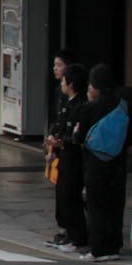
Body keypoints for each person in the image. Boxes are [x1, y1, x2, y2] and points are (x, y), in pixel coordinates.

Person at [74, 63, 132, 262]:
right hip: (118, 163)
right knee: (115, 205)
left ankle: (98, 249)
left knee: (96, 205)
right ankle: (114, 246)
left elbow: (79, 137)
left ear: (96, 86)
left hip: (96, 163)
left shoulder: (89, 108)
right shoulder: (124, 106)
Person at [47, 62, 90, 254]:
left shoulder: (81, 106)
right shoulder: (67, 103)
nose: (62, 83)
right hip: (64, 156)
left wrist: (61, 142)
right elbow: (59, 125)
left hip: (75, 157)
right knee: (63, 195)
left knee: (72, 196)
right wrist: (52, 139)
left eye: (64, 80)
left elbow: (76, 135)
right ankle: (68, 234)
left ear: (71, 83)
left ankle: (78, 237)